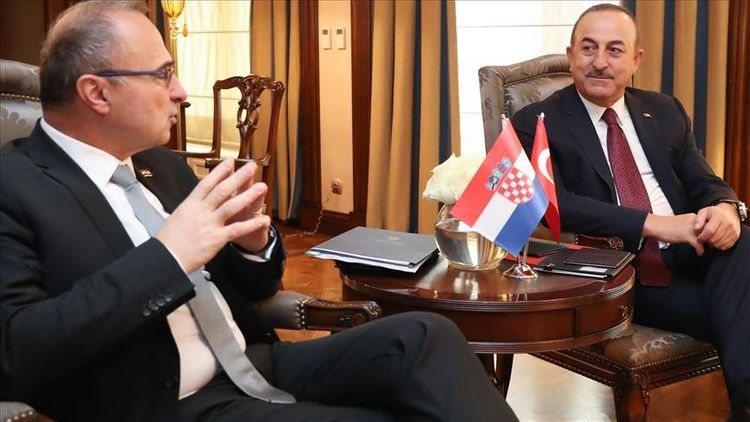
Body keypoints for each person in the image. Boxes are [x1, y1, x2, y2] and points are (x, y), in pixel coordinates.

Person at [0, 1, 517, 421]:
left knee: (425, 336)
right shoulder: (14, 187)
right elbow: (16, 351)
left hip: (253, 360)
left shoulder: (162, 167)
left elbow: (253, 289)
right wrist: (169, 254)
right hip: (164, 399)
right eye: (163, 75)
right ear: (96, 92)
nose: (180, 91)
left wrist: (253, 246)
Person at [512, 3, 749, 420]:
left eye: (615, 50)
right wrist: (656, 225)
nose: (600, 62)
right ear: (571, 55)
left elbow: (703, 180)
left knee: (744, 240)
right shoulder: (538, 122)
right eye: (589, 48)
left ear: (636, 61)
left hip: (692, 248)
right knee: (739, 307)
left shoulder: (664, 110)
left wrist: (727, 208)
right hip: (624, 270)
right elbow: (554, 205)